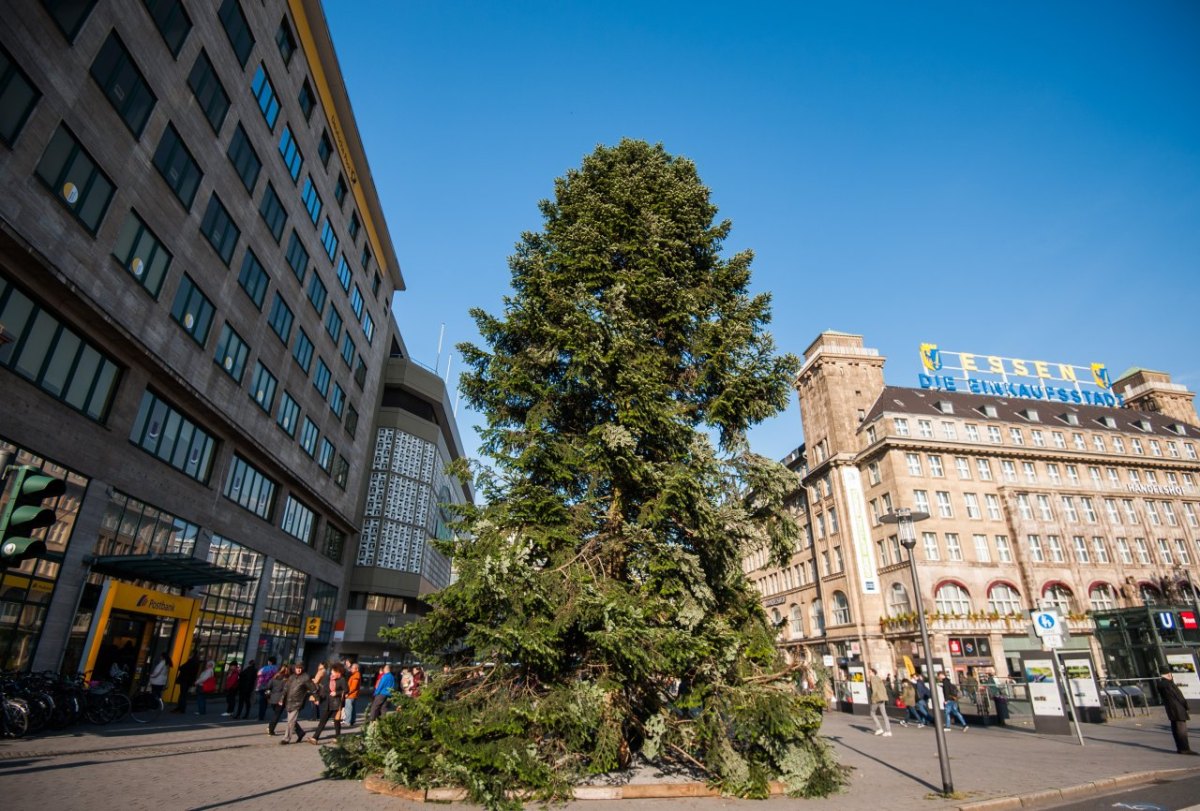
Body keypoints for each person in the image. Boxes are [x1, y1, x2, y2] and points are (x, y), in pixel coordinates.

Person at [1159, 669, 1197, 755]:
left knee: (1175, 728)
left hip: (1171, 709)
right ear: (1168, 675)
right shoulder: (1170, 684)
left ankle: (1180, 748)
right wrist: (1185, 705)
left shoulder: (1161, 684)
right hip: (1178, 709)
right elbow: (1179, 696)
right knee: (1181, 730)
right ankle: (1185, 748)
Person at [311, 662, 348, 743]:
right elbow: (325, 691)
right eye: (332, 671)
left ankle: (337, 738)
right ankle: (315, 738)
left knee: (336, 722)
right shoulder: (329, 679)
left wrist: (337, 693)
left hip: (337, 704)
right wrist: (318, 699)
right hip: (328, 703)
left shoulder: (342, 680)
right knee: (322, 721)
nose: (332, 673)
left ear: (339, 672)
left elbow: (346, 690)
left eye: (334, 672)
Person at [280, 662, 315, 744]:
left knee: (290, 721)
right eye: (297, 668)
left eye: (300, 668)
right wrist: (281, 699)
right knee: (291, 720)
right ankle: (300, 733)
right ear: (294, 668)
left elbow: (313, 688)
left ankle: (286, 738)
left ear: (302, 669)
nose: (298, 669)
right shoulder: (291, 677)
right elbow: (285, 688)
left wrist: (316, 698)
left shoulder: (305, 677)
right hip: (289, 701)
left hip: (298, 702)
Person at [868, 666, 892, 736]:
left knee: (872, 713)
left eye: (869, 672)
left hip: (877, 698)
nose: (868, 673)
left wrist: (873, 699)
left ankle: (879, 728)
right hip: (882, 698)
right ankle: (888, 730)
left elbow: (874, 690)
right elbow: (883, 688)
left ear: (873, 672)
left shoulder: (872, 679)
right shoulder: (879, 678)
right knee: (884, 714)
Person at [265, 665, 289, 736]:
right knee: (277, 715)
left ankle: (270, 727)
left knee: (275, 714)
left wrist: (268, 697)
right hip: (281, 699)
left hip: (272, 699)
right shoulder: (286, 680)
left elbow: (268, 688)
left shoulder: (274, 678)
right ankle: (270, 729)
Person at [256, 656, 279, 721]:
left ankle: (261, 716)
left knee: (262, 701)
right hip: (270, 688)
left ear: (270, 662)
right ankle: (276, 714)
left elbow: (258, 674)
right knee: (267, 699)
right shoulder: (276, 669)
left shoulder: (265, 668)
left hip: (263, 687)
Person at [344, 661, 361, 727]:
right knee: (352, 708)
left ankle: (348, 722)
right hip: (353, 695)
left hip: (351, 695)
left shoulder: (356, 675)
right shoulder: (355, 675)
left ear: (356, 669)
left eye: (352, 668)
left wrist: (347, 693)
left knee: (348, 708)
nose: (351, 669)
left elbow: (353, 687)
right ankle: (352, 720)